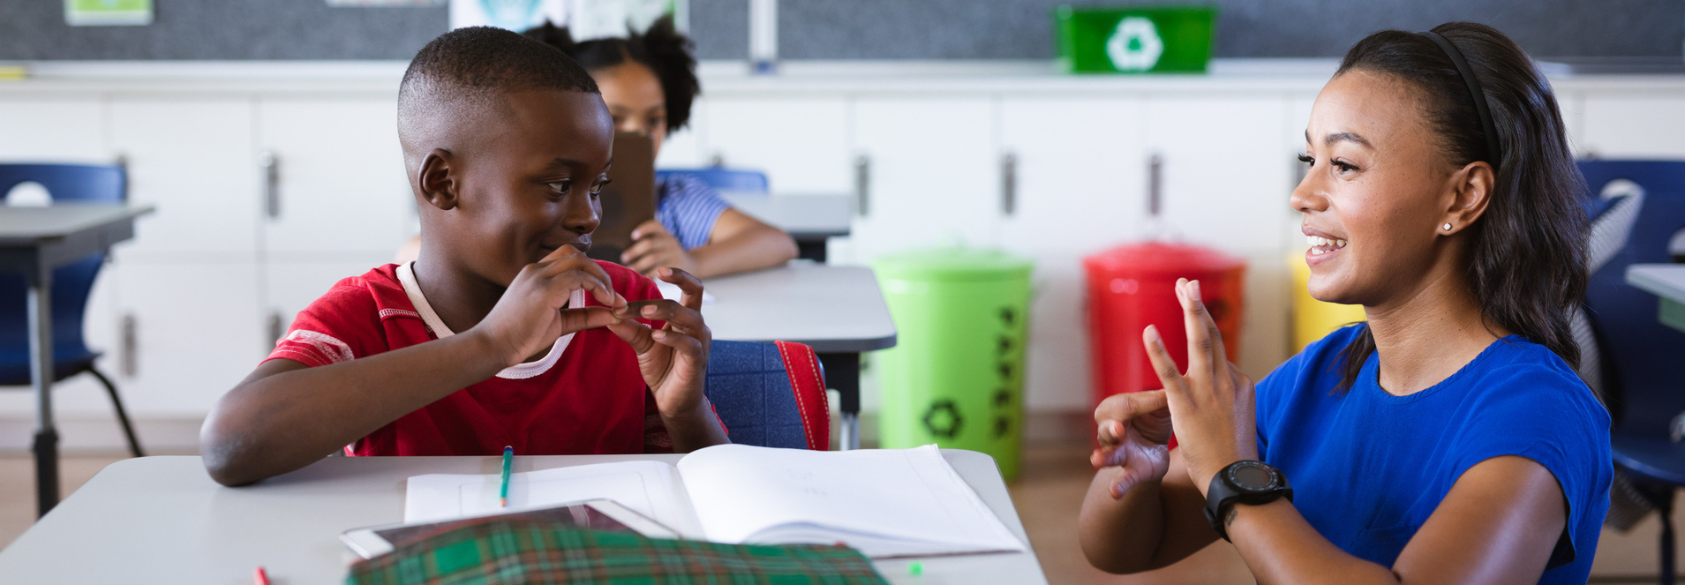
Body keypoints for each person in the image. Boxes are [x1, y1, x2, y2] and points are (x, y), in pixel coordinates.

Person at [1078, 23, 1610, 584]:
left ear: (1462, 195)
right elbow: (1129, 548)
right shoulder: (1322, 375)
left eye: (1345, 164)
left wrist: (1233, 478)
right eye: (1309, 159)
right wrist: (1139, 469)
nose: (1302, 195)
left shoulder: (1538, 413)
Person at [201, 27, 729, 487]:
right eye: (557, 184)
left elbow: (717, 494)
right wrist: (490, 344)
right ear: (442, 183)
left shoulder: (621, 303)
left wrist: (684, 410)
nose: (589, 215)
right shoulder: (367, 318)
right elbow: (230, 444)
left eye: (596, 185)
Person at [394, 16, 798, 278]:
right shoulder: (518, 208)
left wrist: (691, 263)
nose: (639, 134)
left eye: (654, 119)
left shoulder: (673, 200)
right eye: (616, 119)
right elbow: (414, 253)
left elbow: (778, 242)